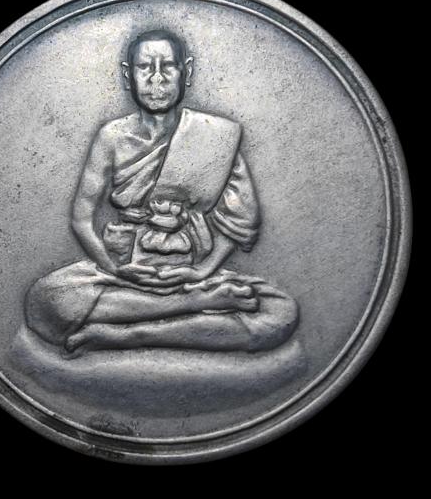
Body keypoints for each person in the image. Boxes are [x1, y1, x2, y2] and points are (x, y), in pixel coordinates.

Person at [25, 29, 299, 355]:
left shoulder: (214, 136)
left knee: (281, 315)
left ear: (187, 71)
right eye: (145, 67)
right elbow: (81, 220)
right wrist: (114, 268)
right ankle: (193, 305)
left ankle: (129, 335)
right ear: (128, 75)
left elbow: (239, 219)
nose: (157, 79)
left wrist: (203, 270)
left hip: (191, 269)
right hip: (126, 270)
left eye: (168, 66)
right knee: (47, 302)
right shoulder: (112, 137)